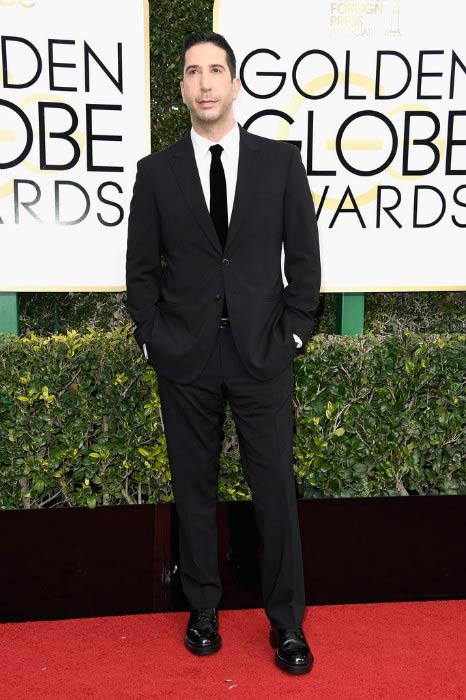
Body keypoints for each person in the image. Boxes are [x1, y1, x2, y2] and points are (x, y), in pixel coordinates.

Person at [126, 30, 321, 675]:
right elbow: (141, 272)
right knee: (194, 489)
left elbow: (305, 259)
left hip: (263, 354)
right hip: (185, 358)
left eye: (216, 70)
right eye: (192, 72)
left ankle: (287, 624)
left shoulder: (278, 163)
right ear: (180, 88)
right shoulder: (156, 174)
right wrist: (153, 336)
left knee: (274, 490)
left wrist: (294, 330)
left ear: (235, 82)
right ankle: (202, 609)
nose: (205, 83)